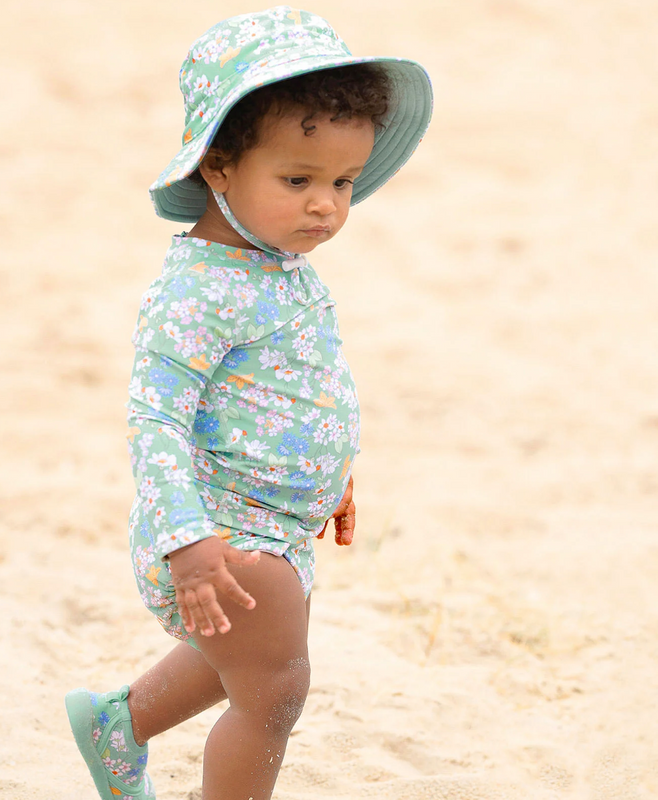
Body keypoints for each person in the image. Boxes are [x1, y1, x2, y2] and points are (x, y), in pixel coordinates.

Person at [65, 7, 432, 799]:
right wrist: (187, 538)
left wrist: (331, 476)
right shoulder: (197, 291)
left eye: (342, 182)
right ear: (220, 167)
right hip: (219, 529)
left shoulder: (279, 265)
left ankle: (116, 723)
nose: (326, 206)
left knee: (242, 658)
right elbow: (155, 419)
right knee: (274, 689)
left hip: (278, 521)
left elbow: (294, 389)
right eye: (297, 180)